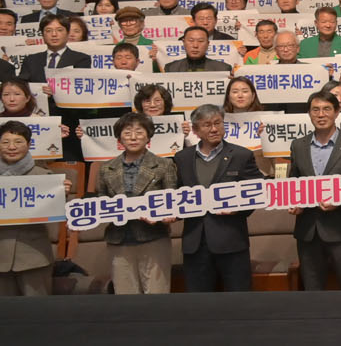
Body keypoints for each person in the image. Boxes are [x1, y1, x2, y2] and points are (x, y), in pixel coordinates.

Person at [172, 104, 264, 292]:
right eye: (207, 125)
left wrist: (239, 208)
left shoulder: (241, 155)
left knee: (239, 299)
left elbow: (259, 190)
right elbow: (177, 194)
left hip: (231, 240)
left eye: (218, 123)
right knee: (199, 301)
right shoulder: (182, 158)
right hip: (195, 242)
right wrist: (172, 214)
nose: (214, 129)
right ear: (195, 130)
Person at [287, 91, 341, 290]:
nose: (321, 114)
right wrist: (295, 203)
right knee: (312, 289)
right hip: (307, 230)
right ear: (309, 113)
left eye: (326, 109)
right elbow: (294, 182)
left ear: (337, 112)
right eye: (315, 110)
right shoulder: (298, 145)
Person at [95, 112, 179, 294]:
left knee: (157, 295)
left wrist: (164, 216)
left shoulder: (164, 165)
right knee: (125, 296)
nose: (133, 137)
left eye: (139, 132)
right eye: (127, 133)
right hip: (119, 239)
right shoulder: (106, 168)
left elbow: (174, 200)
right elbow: (101, 199)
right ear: (119, 138)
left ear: (148, 137)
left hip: (154, 237)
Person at [0, 120, 71, 295]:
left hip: (34, 256)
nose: (11, 147)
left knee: (38, 308)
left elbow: (60, 211)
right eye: (5, 142)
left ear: (29, 144)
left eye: (18, 142)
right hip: (1, 255)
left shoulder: (44, 176)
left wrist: (63, 193)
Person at [162, 26, 232, 73]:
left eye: (200, 41)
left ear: (207, 44)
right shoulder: (171, 68)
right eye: (191, 40)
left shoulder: (223, 69)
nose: (195, 45)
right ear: (183, 42)